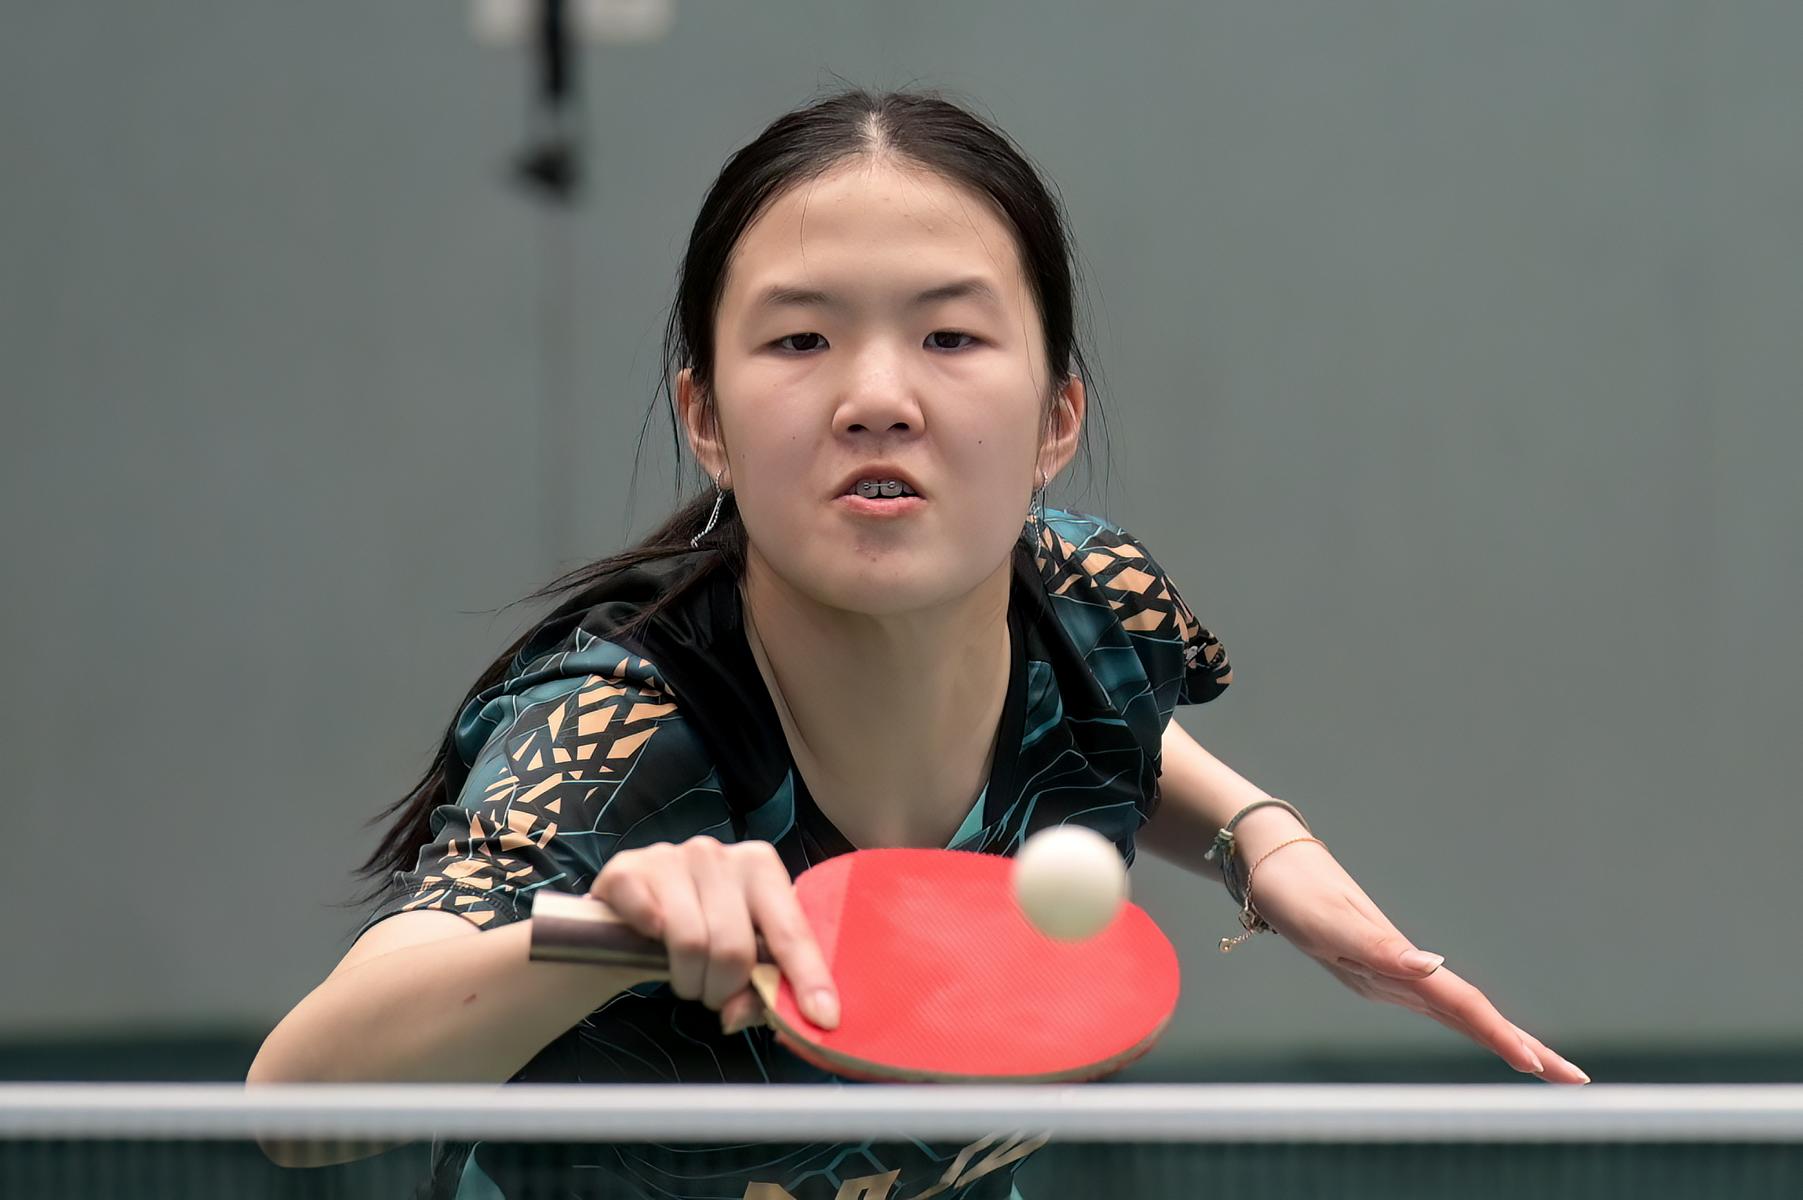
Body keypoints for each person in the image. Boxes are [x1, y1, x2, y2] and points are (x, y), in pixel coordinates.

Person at [248, 86, 1587, 1199]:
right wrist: (611, 937)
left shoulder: (1097, 608)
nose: (877, 397)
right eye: (800, 338)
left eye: (950, 335)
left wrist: (1261, 846)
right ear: (705, 419)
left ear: (1057, 418)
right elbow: (296, 1108)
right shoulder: (624, 739)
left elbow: (1098, 706)